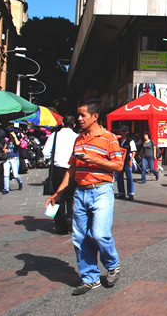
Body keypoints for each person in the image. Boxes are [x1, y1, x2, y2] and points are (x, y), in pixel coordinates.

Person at [45, 99, 123, 296]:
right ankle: (90, 278)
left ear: (95, 116)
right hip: (80, 192)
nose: (79, 119)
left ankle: (112, 265)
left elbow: (119, 166)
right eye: (78, 115)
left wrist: (95, 160)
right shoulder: (78, 139)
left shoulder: (109, 138)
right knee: (79, 237)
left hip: (102, 190)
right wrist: (58, 193)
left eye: (83, 115)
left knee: (99, 234)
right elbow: (72, 169)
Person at [42, 116, 78, 234]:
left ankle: (61, 225)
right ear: (73, 125)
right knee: (71, 197)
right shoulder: (77, 137)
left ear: (62, 124)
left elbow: (45, 152)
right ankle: (71, 221)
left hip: (57, 170)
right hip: (72, 169)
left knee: (58, 197)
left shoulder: (54, 136)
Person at [116, 125, 137, 200]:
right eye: (121, 131)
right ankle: (121, 192)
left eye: (124, 131)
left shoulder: (130, 141)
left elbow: (133, 151)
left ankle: (130, 193)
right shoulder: (118, 141)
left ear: (127, 132)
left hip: (127, 160)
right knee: (119, 177)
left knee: (129, 177)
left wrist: (131, 160)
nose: (122, 132)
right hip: (119, 160)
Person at [2, 128, 23, 194]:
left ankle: (20, 182)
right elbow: (4, 149)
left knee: (15, 175)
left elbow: (17, 144)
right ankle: (6, 188)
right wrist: (5, 150)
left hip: (15, 159)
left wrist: (15, 137)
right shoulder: (7, 142)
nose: (11, 135)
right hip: (7, 159)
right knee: (6, 174)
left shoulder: (17, 140)